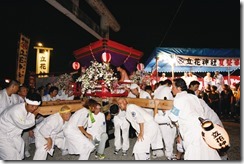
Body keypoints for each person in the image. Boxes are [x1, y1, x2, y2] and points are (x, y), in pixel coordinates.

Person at [168, 78, 221, 160]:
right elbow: (201, 111)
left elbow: (174, 117)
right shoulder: (193, 97)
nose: (172, 89)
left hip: (190, 131)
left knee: (193, 153)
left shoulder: (178, 99)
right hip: (202, 127)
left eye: (173, 87)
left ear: (179, 88)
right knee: (206, 151)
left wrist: (168, 113)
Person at [0, 92, 42, 160]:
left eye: (36, 107)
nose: (34, 108)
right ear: (26, 102)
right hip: (2, 136)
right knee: (11, 157)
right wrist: (34, 115)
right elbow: (24, 125)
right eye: (32, 106)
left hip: (14, 135)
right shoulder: (16, 111)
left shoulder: (26, 109)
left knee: (19, 154)